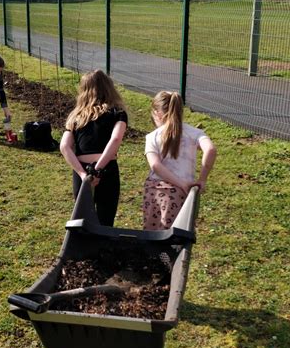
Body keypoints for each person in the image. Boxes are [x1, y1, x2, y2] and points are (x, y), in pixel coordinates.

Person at [60, 70, 128, 226]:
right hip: (107, 168)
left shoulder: (76, 115)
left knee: (82, 220)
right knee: (106, 219)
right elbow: (116, 138)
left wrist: (84, 174)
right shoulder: (117, 112)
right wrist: (97, 169)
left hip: (81, 170)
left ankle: (83, 249)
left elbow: (64, 146)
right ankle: (103, 249)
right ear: (109, 87)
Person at [142, 90, 216, 230]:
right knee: (180, 234)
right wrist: (202, 179)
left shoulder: (152, 136)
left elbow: (156, 166)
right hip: (184, 193)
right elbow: (211, 150)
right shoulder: (195, 133)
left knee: (153, 235)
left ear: (157, 113)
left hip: (156, 192)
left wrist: (180, 183)